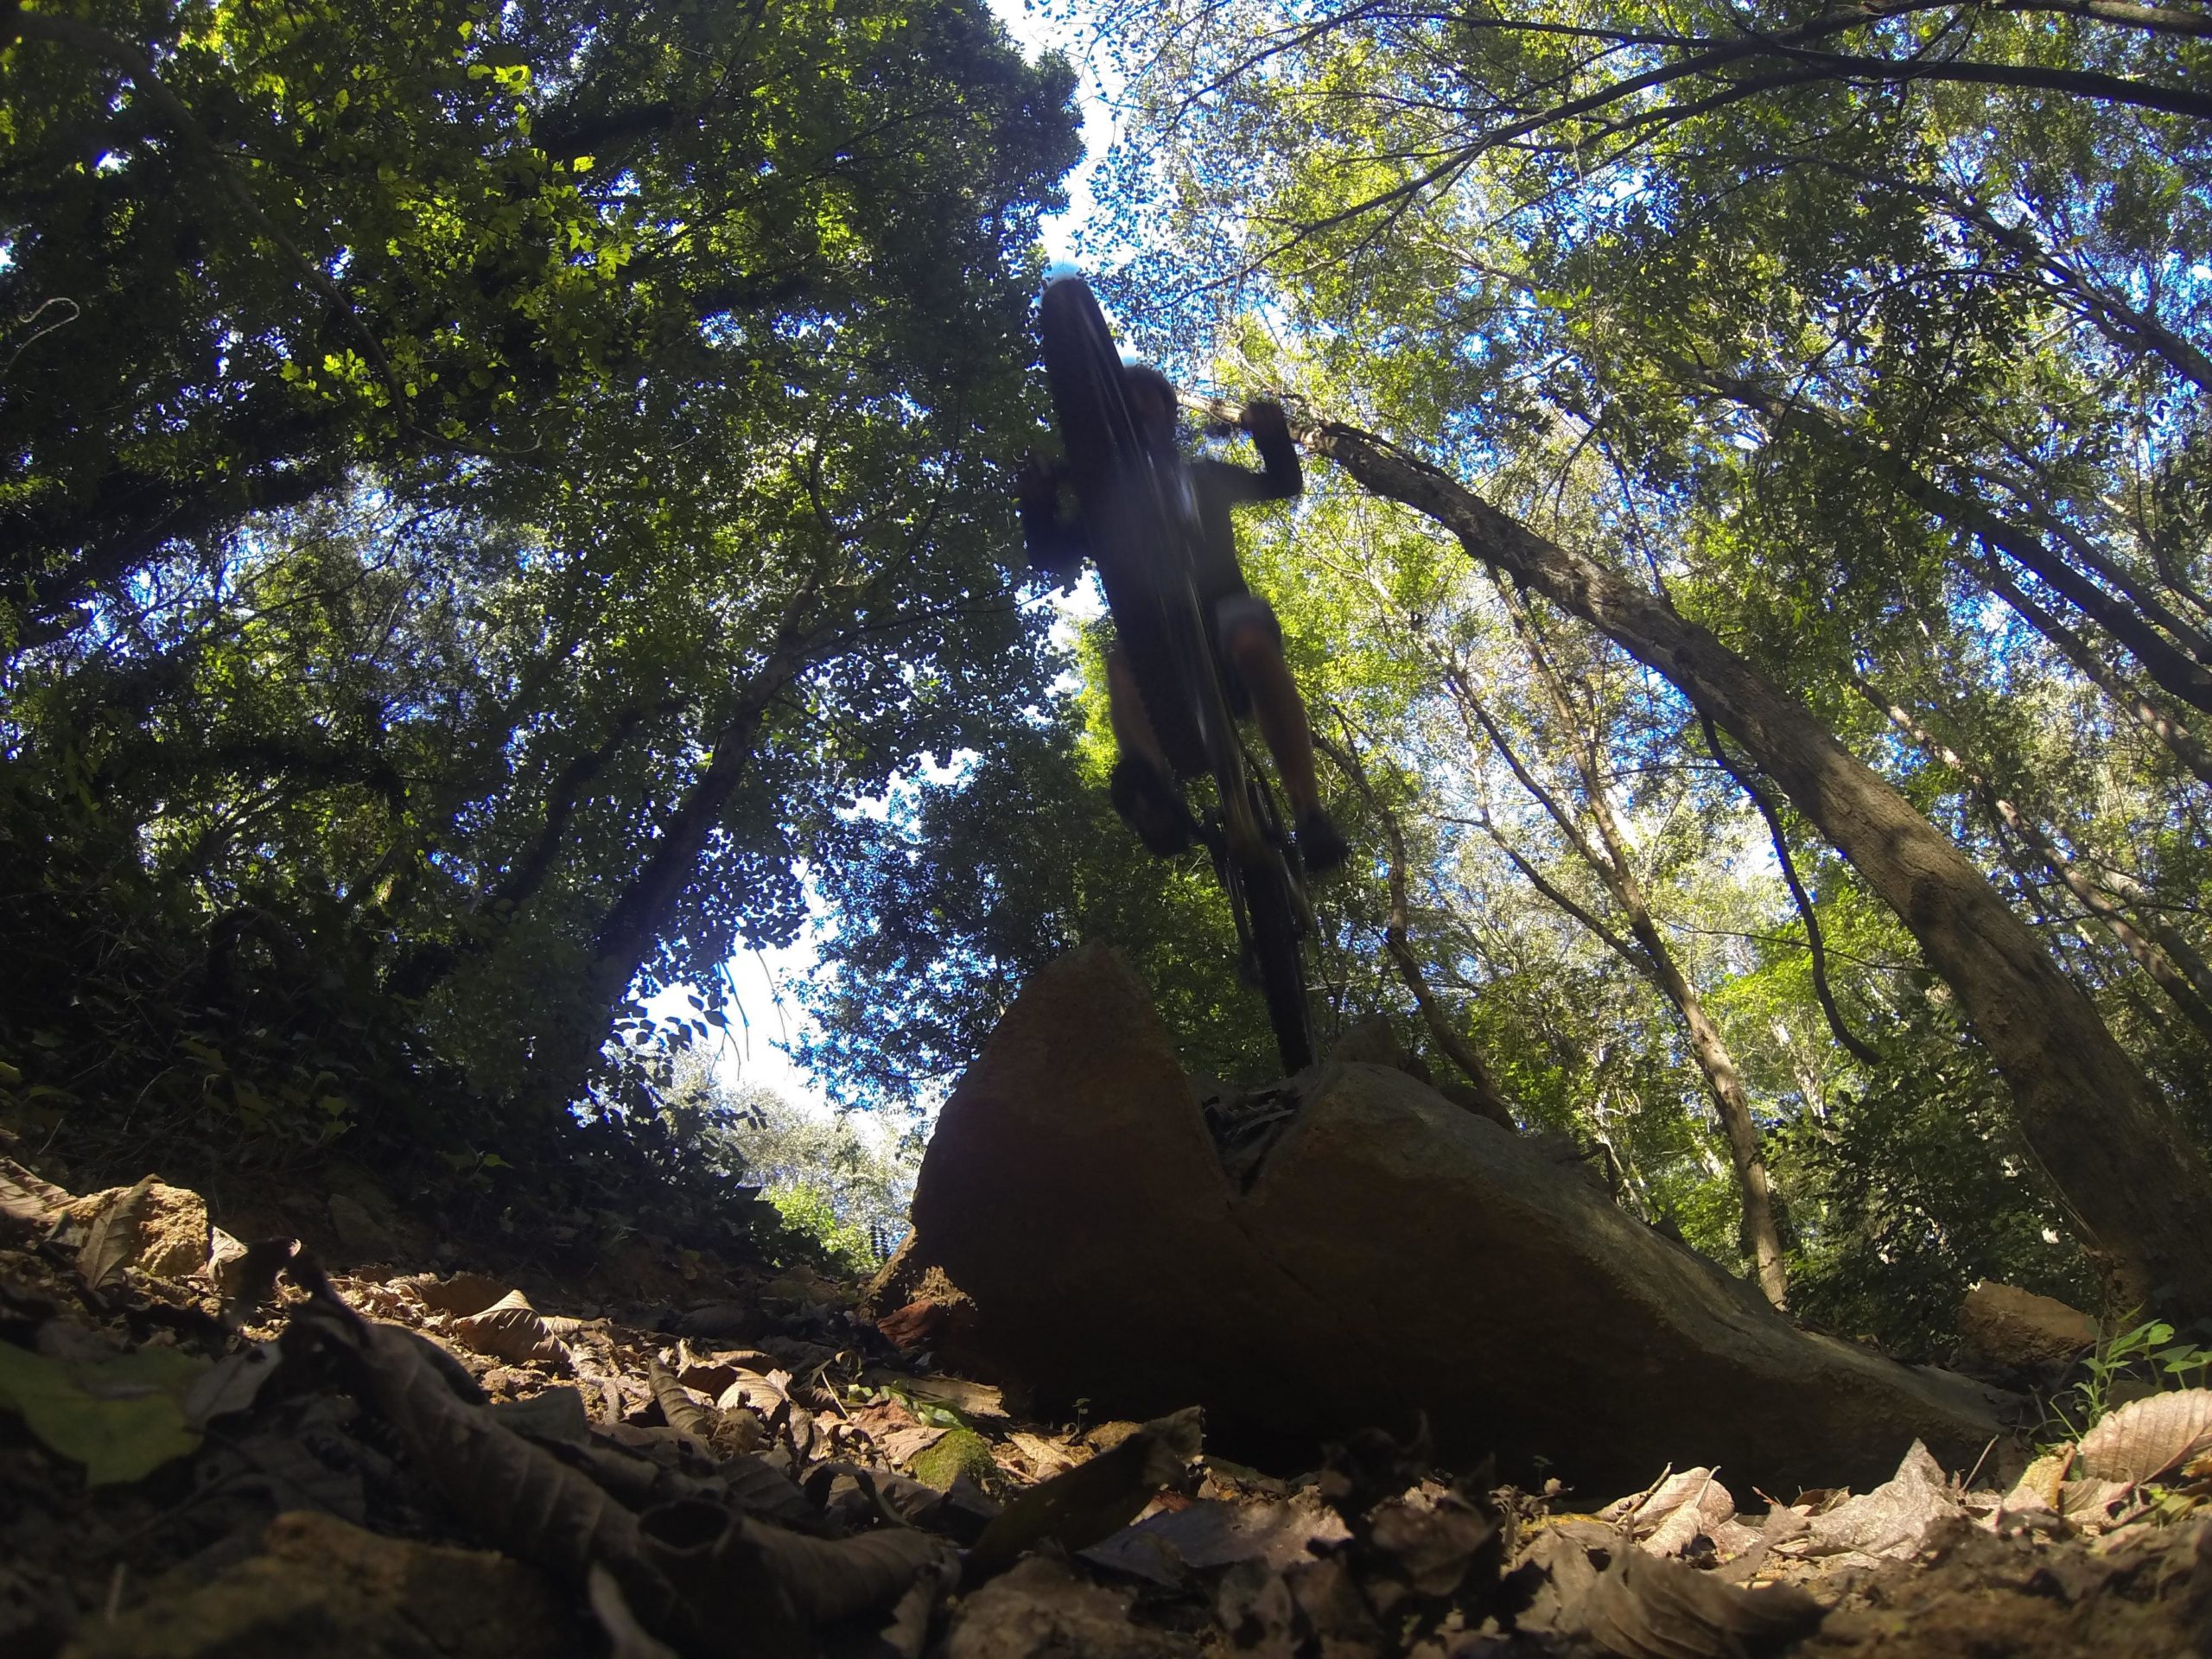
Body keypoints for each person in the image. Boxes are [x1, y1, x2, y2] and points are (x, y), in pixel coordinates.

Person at [1018, 363, 1348, 874]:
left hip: (1226, 618)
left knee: (1249, 639)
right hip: (1163, 643)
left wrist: (1271, 434)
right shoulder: (1103, 504)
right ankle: (1153, 794)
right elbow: (1051, 556)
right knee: (1123, 666)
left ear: (1170, 418)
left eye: (1150, 400)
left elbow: (1281, 483)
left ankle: (1309, 812)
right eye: (1126, 401)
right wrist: (1037, 503)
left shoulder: (1204, 476)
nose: (1138, 408)